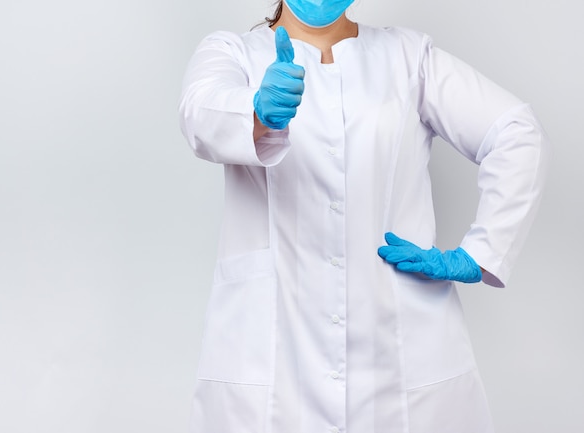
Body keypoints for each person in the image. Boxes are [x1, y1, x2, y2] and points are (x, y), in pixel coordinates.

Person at [178, 1, 549, 432]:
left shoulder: (410, 57)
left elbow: (517, 133)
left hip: (398, 351)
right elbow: (199, 113)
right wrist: (258, 113)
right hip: (276, 355)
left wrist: (481, 251)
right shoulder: (234, 53)